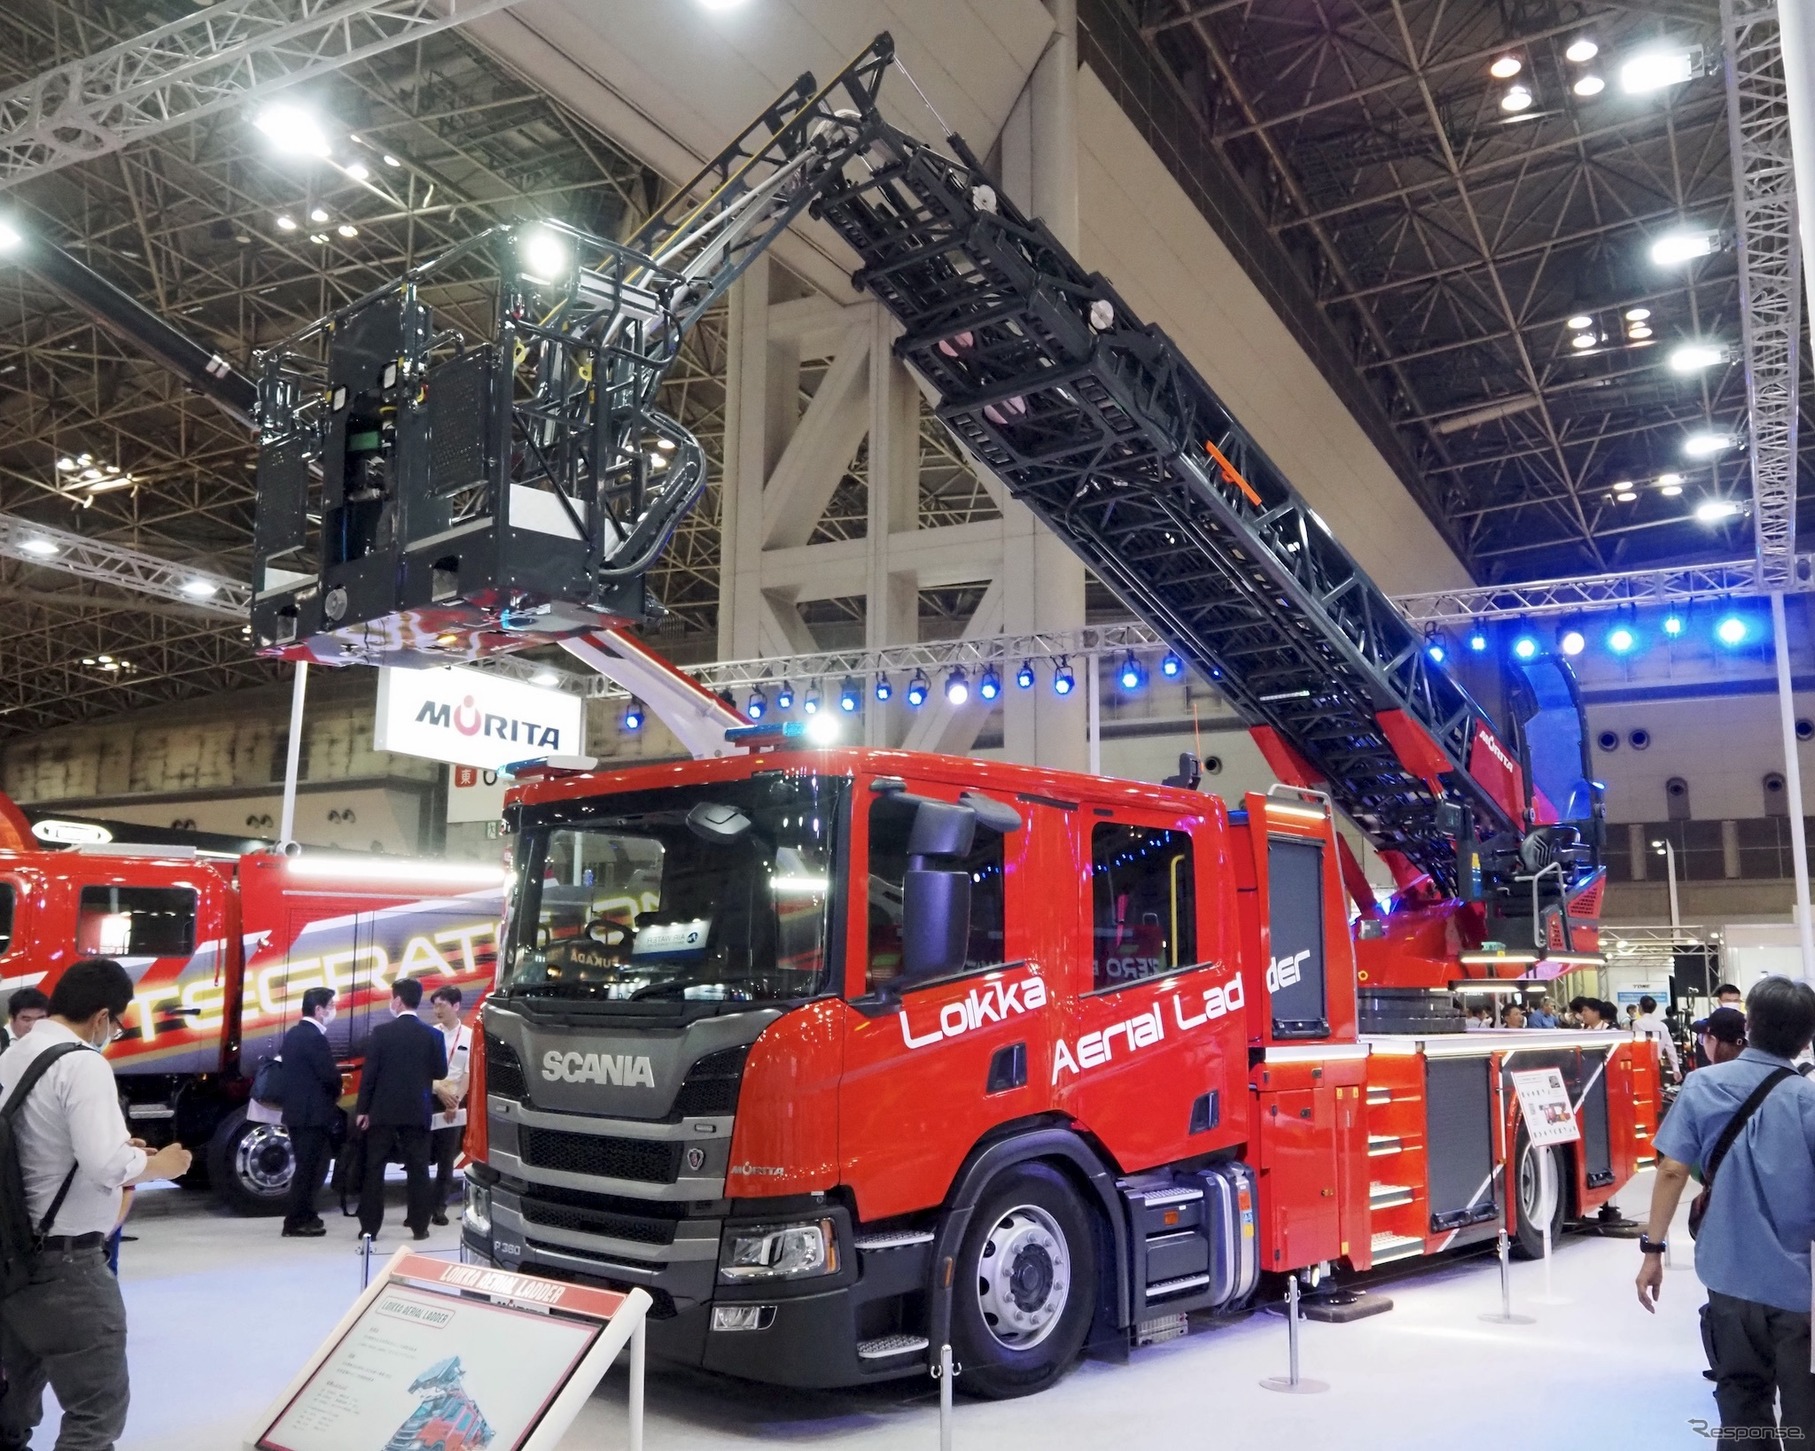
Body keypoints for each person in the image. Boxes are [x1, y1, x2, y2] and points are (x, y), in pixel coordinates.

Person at [0, 958, 192, 1451]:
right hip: (66, 1269)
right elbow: (106, 1165)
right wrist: (162, 1165)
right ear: (102, 1016)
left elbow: (40, 1147)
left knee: (10, 1406)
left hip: (10, 1261)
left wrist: (120, 1153)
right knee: (96, 1413)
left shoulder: (13, 1056)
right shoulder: (81, 1062)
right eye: (118, 1022)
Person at [1637, 976, 1815, 1444]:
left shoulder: (1702, 1085)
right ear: (1806, 1037)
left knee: (1739, 1396)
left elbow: (1673, 1170)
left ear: (1750, 1024)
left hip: (1729, 1274)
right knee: (1805, 1407)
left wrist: (1653, 1250)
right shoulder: (1808, 1099)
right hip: (1801, 1284)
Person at [355, 978, 445, 1243]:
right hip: (417, 1111)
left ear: (397, 1001)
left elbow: (369, 1075)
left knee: (375, 1168)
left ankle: (369, 1227)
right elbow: (440, 1071)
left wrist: (363, 1109)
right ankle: (420, 1226)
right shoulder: (434, 1035)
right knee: (418, 1168)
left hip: (382, 1112)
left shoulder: (381, 1033)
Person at [277, 987, 342, 1239]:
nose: (332, 1010)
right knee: (310, 1170)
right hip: (312, 1116)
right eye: (331, 1005)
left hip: (297, 1114)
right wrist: (336, 1090)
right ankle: (296, 1220)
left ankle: (307, 1214)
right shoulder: (314, 1037)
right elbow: (329, 1076)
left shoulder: (294, 1034)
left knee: (309, 1167)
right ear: (318, 1010)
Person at [427, 986, 472, 1227]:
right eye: (434, 1005)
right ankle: (419, 1208)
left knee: (447, 1157)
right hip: (431, 1097)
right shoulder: (430, 1034)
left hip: (454, 1101)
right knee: (422, 1155)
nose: (437, 1010)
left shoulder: (469, 1035)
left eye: (441, 1005)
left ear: (456, 1006)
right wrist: (439, 1090)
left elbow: (468, 1072)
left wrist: (455, 1099)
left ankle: (439, 1208)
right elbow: (422, 1070)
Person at [1697, 986, 1749, 1069]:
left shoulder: (1746, 1024)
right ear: (1719, 1001)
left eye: (1735, 1001)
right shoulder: (1713, 1023)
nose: (1732, 1003)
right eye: (1728, 1000)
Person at [1635, 994, 1683, 1080]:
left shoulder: (1637, 1023)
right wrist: (1676, 1068)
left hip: (1642, 1065)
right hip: (1658, 1064)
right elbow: (1670, 1048)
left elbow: (1637, 1045)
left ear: (1641, 1007)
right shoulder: (1662, 1025)